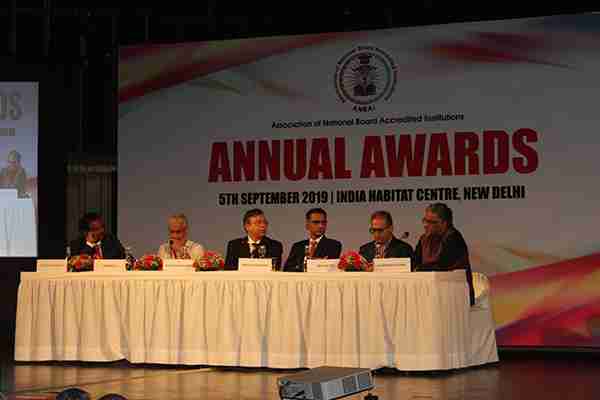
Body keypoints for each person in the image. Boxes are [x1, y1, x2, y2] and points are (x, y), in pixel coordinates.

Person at [414, 203, 475, 306]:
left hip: (455, 295)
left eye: (431, 222)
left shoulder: (454, 238)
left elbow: (441, 267)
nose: (425, 225)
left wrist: (418, 269)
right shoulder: (424, 239)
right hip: (431, 291)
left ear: (444, 223)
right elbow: (414, 261)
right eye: (425, 220)